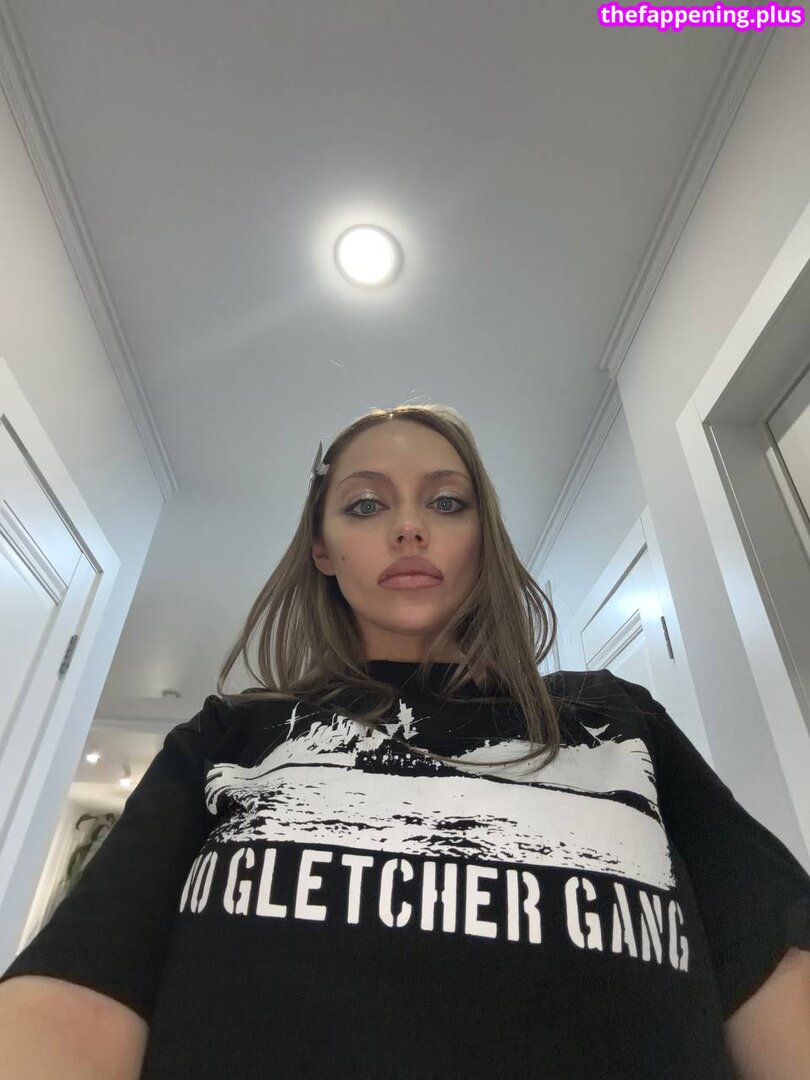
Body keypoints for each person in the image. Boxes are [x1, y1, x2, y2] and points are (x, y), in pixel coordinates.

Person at [1, 403, 809, 1080]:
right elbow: (74, 1000)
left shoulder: (618, 720)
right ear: (322, 549)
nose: (411, 528)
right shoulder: (228, 737)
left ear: (484, 538)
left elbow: (777, 971)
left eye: (448, 503)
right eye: (366, 506)